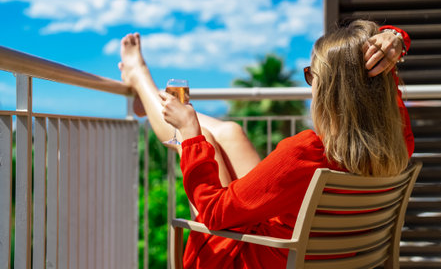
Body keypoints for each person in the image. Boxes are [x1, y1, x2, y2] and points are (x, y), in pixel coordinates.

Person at [119, 19, 414, 268]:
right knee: (230, 131)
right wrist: (395, 39)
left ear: (330, 90)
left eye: (313, 77)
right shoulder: (398, 145)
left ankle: (141, 80)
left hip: (258, 257)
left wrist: (189, 130)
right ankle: (149, 93)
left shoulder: (306, 153)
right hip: (321, 255)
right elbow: (382, 85)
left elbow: (212, 213)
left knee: (202, 138)